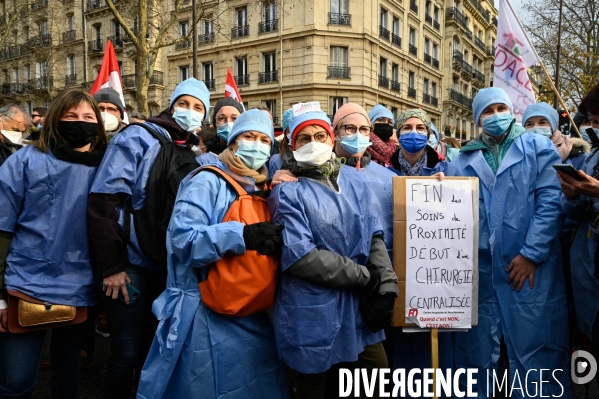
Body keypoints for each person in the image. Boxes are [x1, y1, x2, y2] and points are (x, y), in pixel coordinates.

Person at [137, 109, 288, 399]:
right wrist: (241, 234)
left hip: (250, 308)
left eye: (263, 140)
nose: (255, 145)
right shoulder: (206, 181)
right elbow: (183, 241)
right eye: (248, 137)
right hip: (203, 313)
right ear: (232, 143)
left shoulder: (261, 186)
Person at [87, 78, 208, 398]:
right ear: (171, 104)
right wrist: (112, 266)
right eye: (184, 103)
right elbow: (103, 202)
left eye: (198, 107)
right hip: (130, 267)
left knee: (152, 353)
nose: (190, 111)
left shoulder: (191, 149)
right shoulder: (138, 136)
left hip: (167, 269)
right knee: (126, 353)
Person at [448, 87, 570, 398]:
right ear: (477, 118)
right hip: (482, 275)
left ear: (511, 111)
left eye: (500, 107)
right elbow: (448, 210)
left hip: (531, 272)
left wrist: (531, 254)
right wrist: (436, 187)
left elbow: (550, 202)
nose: (494, 116)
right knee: (477, 361)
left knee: (537, 354)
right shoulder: (463, 158)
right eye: (487, 111)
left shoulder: (537, 147)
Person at [268, 107, 398, 398]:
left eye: (319, 135)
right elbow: (301, 256)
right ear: (292, 145)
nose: (313, 142)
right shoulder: (287, 191)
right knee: (313, 385)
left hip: (357, 306)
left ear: (330, 139)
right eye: (303, 138)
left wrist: (386, 281)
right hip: (311, 307)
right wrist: (364, 276)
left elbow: (373, 232)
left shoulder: (353, 180)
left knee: (376, 373)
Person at [0, 89, 107, 398]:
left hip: (80, 286)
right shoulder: (24, 161)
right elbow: (2, 230)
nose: (80, 123)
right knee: (16, 381)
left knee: (67, 371)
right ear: (55, 120)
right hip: (25, 282)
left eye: (88, 117)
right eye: (71, 116)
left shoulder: (108, 167)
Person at [558, 83, 599, 362]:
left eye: (598, 120)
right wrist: (573, 196)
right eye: (592, 121)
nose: (593, 127)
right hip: (589, 266)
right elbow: (575, 214)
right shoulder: (593, 156)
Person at [523, 102, 587, 169]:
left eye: (542, 122)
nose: (535, 128)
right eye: (529, 124)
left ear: (553, 126)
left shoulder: (578, 157)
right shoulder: (518, 155)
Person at [389, 109, 446, 176]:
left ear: (427, 135)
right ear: (399, 135)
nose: (414, 132)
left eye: (420, 128)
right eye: (407, 128)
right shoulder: (387, 169)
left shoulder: (444, 167)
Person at [201, 97, 244, 161]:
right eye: (221, 118)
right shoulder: (205, 160)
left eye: (234, 118)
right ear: (215, 124)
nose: (228, 123)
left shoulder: (250, 154)